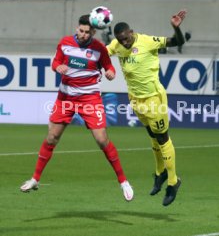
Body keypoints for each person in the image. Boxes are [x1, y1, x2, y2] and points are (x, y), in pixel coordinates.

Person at [20, 14, 134, 202]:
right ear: (77, 28)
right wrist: (58, 68)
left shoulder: (98, 48)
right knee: (52, 137)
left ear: (93, 32)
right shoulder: (65, 43)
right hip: (65, 98)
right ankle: (35, 179)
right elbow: (55, 62)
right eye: (80, 30)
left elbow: (108, 66)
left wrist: (110, 73)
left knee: (102, 139)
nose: (82, 34)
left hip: (89, 99)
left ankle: (123, 181)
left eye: (86, 32)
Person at [106, 10, 187, 206]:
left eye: (126, 39)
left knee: (162, 137)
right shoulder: (117, 44)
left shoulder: (148, 41)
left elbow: (178, 43)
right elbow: (102, 52)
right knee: (152, 135)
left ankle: (173, 181)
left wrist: (176, 29)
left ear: (131, 32)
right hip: (135, 99)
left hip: (154, 99)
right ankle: (159, 173)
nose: (124, 43)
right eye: (120, 40)